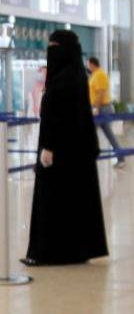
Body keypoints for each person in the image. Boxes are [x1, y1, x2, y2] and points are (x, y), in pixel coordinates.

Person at [21, 30, 108, 266]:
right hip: (76, 155)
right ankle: (74, 250)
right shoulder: (77, 76)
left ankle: (49, 251)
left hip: (58, 154)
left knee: (53, 202)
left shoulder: (64, 79)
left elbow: (57, 117)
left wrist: (48, 147)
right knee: (74, 202)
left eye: (54, 46)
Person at [87, 57, 125, 168]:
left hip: (102, 108)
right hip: (98, 107)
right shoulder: (94, 75)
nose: (88, 66)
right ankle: (121, 158)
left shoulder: (100, 74)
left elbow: (101, 92)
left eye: (88, 64)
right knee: (109, 135)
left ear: (93, 64)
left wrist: (97, 108)